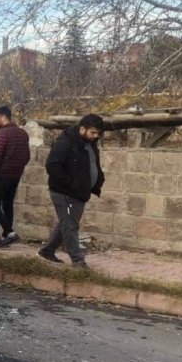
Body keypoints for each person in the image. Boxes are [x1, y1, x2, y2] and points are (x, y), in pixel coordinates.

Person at [38, 114, 106, 268]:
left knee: (67, 223)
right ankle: (78, 261)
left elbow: (93, 164)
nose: (96, 136)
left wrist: (98, 179)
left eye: (98, 133)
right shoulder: (66, 142)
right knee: (70, 226)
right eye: (93, 132)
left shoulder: (91, 144)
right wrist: (70, 184)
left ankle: (46, 252)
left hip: (80, 193)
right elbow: (52, 166)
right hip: (64, 193)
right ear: (82, 129)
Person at [0, 105, 30, 248]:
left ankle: (10, 233)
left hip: (1, 176)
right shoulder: (23, 133)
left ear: (3, 117)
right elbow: (27, 156)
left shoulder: (3, 134)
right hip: (15, 177)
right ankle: (6, 238)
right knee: (8, 205)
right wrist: (17, 168)